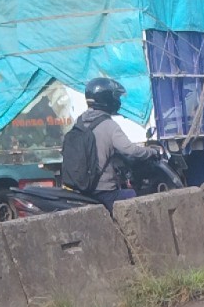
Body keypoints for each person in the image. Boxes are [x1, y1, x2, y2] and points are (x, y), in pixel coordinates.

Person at [68, 77, 160, 211]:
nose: (118, 101)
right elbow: (130, 150)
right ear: (107, 98)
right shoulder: (108, 124)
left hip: (82, 187)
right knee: (138, 199)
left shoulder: (80, 121)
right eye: (115, 97)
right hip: (104, 191)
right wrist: (152, 152)